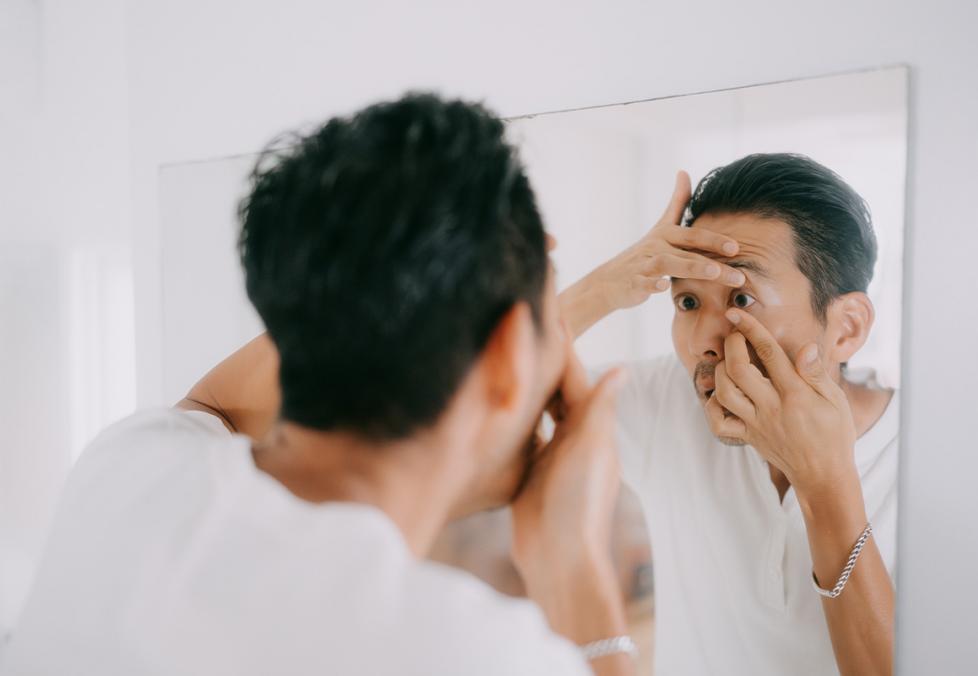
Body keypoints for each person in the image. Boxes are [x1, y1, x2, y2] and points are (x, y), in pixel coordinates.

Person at [3, 94, 646, 675]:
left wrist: (520, 297)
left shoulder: (129, 468)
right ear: (507, 355)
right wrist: (572, 558)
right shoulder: (469, 651)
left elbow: (227, 394)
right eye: (551, 321)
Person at [560, 153, 897, 676]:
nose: (702, 345)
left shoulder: (928, 454)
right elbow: (464, 405)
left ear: (847, 328)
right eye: (689, 302)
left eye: (741, 297)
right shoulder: (665, 401)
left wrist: (823, 484)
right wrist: (599, 290)